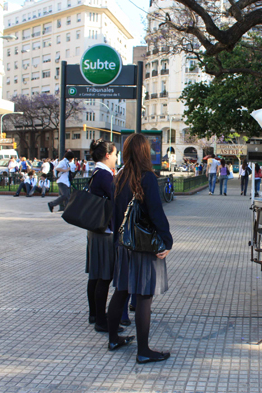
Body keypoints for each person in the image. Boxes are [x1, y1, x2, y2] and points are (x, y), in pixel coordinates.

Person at [108, 133, 172, 364]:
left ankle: (113, 338)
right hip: (143, 245)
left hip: (124, 244)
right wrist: (167, 240)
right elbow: (156, 213)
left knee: (122, 290)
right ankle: (143, 351)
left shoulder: (120, 177)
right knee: (144, 295)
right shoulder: (147, 178)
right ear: (145, 152)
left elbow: (115, 214)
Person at [86, 139, 120, 333]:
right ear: (107, 155)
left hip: (96, 230)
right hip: (104, 232)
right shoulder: (105, 176)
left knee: (96, 275)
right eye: (115, 154)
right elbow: (116, 201)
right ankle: (101, 319)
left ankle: (95, 314)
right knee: (103, 277)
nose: (116, 158)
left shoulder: (97, 173)